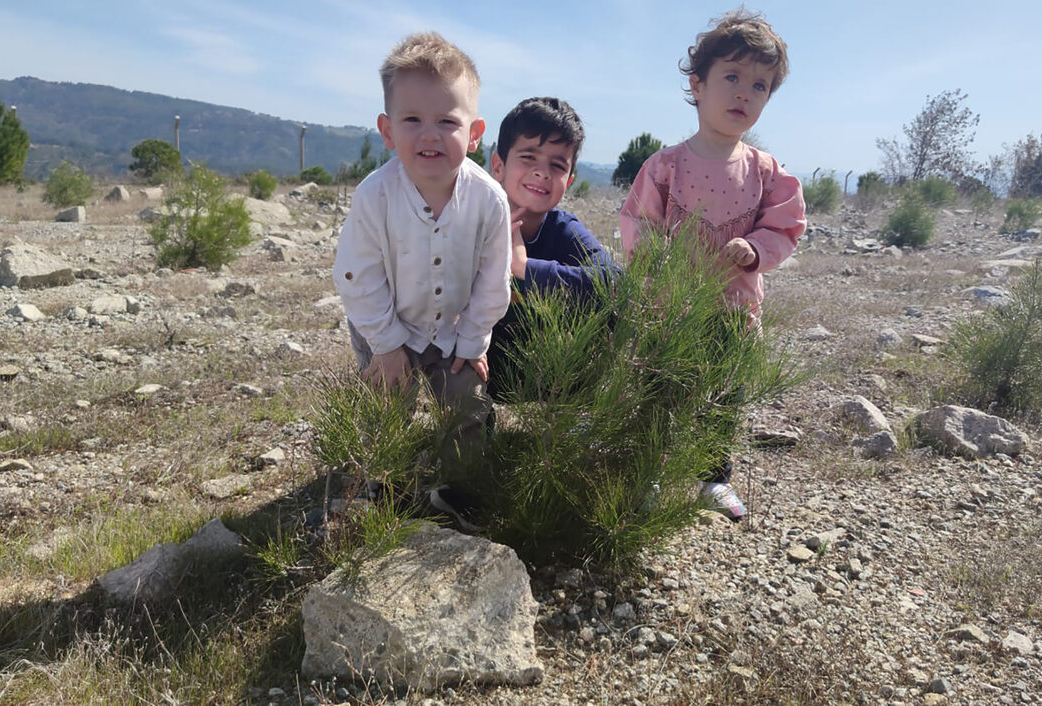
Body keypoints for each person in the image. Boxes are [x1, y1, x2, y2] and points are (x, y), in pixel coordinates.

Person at [619, 10, 806, 521]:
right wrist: (657, 261)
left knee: (723, 394)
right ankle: (649, 475)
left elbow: (787, 226)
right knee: (660, 389)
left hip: (733, 309)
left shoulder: (766, 171)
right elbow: (638, 221)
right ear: (697, 85)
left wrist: (756, 248)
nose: (745, 93)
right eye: (732, 77)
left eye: (760, 85)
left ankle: (712, 477)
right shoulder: (665, 166)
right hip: (670, 307)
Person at [333, 32, 512, 519]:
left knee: (466, 405)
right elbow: (357, 276)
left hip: (454, 327)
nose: (429, 134)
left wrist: (473, 340)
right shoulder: (376, 196)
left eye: (446, 121)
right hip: (386, 324)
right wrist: (387, 345)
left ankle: (460, 489)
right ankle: (385, 483)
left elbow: (493, 282)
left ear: (474, 134)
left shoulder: (489, 198)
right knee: (387, 404)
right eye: (412, 120)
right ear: (387, 131)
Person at [486, 96, 620, 401]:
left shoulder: (563, 229)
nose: (542, 172)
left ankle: (574, 418)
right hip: (476, 365)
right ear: (498, 165)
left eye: (557, 165)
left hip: (545, 374)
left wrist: (523, 267)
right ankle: (471, 422)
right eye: (528, 157)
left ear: (569, 180)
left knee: (615, 312)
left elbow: (614, 283)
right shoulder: (472, 222)